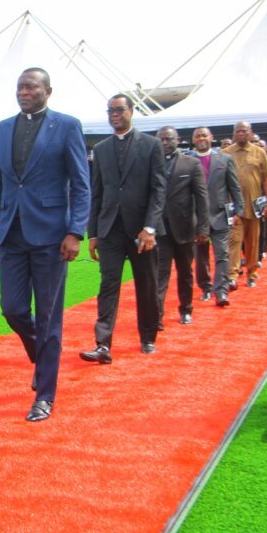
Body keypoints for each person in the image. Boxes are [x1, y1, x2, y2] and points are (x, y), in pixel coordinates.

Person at [0, 68, 90, 422]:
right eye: (20, 87)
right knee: (13, 309)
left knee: (48, 318)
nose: (24, 92)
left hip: (52, 237)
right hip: (12, 234)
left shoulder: (66, 126)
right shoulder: (1, 130)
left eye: (31, 86)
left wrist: (75, 231)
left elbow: (80, 183)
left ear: (48, 90)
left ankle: (45, 394)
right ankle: (42, 357)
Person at [81, 94, 166, 364]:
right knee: (108, 285)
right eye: (110, 111)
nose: (114, 114)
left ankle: (148, 336)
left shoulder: (151, 145)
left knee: (147, 283)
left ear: (131, 111)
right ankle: (102, 344)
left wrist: (150, 228)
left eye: (119, 110)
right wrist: (92, 233)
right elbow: (97, 193)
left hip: (142, 230)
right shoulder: (102, 149)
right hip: (110, 230)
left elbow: (158, 190)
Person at [154, 127, 208, 328]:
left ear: (178, 140)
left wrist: (203, 228)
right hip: (159, 229)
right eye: (161, 139)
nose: (165, 142)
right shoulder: (151, 163)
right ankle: (156, 314)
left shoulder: (191, 164)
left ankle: (186, 308)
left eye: (169, 139)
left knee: (185, 272)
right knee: (159, 274)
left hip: (185, 228)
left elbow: (202, 197)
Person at [188, 127, 243, 307]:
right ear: (193, 139)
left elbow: (234, 187)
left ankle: (221, 292)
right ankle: (206, 288)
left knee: (222, 254)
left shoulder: (225, 159)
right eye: (198, 136)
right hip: (196, 218)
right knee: (201, 257)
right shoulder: (187, 160)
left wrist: (238, 211)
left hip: (220, 215)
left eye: (204, 135)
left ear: (212, 137)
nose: (201, 138)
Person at [223, 121, 267, 289]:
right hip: (233, 207)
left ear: (250, 133)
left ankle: (252, 273)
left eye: (244, 131)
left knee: (252, 243)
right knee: (234, 241)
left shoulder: (259, 153)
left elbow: (266, 180)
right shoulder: (225, 153)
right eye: (237, 131)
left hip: (254, 206)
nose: (240, 134)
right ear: (233, 133)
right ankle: (232, 275)